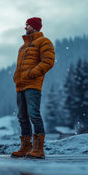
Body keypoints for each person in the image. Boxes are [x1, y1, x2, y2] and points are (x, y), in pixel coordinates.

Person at [11, 17, 55, 159]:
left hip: (33, 85)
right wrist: (16, 77)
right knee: (22, 117)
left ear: (34, 27)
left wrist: (32, 73)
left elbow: (48, 62)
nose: (25, 28)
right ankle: (25, 147)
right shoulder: (22, 47)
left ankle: (38, 149)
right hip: (20, 86)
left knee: (33, 115)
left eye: (27, 25)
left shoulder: (44, 42)